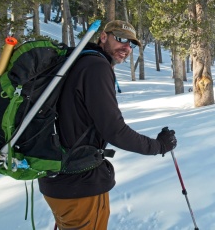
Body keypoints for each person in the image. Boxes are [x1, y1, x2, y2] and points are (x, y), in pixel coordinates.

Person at [38, 20, 177, 230]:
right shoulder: (96, 67)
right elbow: (115, 130)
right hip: (79, 183)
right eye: (120, 39)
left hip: (59, 179)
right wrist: (159, 146)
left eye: (131, 43)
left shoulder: (77, 61)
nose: (126, 47)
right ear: (103, 37)